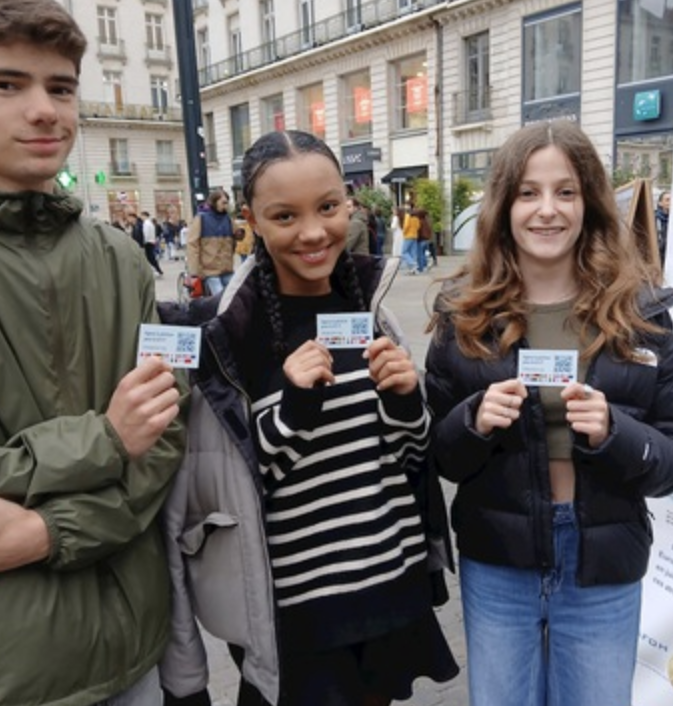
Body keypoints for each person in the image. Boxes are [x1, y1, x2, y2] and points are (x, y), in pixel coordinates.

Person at [0, 2, 187, 706]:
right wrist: (102, 440)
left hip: (130, 649)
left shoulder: (120, 258)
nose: (44, 110)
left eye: (60, 87)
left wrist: (48, 531)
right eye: (7, 85)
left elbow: (165, 436)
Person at [159, 129, 458, 706]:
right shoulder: (226, 336)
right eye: (285, 215)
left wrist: (404, 402)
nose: (314, 232)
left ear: (348, 201)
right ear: (253, 221)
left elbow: (412, 456)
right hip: (296, 613)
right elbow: (232, 484)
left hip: (386, 588)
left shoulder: (368, 307)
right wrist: (295, 407)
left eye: (327, 207)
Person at [424, 120, 673, 706]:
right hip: (498, 562)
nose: (546, 211)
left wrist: (615, 432)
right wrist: (473, 420)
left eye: (565, 192)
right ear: (503, 206)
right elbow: (441, 458)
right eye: (528, 192)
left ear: (590, 203)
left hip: (602, 563)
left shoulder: (642, 314)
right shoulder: (463, 315)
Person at [187, 189, 236, 295]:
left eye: (227, 202)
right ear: (214, 202)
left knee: (233, 296)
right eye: (223, 202)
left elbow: (235, 237)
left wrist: (240, 233)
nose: (226, 205)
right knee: (219, 299)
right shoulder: (201, 218)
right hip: (210, 270)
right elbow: (193, 244)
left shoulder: (228, 219)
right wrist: (194, 271)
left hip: (227, 268)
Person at [143, 209, 165, 277]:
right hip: (152, 241)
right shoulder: (151, 223)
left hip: (148, 242)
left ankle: (156, 270)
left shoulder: (146, 223)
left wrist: (144, 241)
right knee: (151, 257)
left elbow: (146, 234)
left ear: (144, 216)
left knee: (150, 258)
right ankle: (157, 270)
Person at [401, 207, 422, 274]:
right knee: (413, 253)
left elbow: (406, 226)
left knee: (404, 252)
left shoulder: (408, 216)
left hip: (408, 236)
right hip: (415, 236)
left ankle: (412, 264)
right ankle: (413, 270)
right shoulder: (416, 218)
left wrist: (404, 232)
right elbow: (418, 226)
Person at [655, 190, 670, 266]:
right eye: (667, 200)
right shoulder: (655, 218)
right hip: (658, 256)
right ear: (660, 203)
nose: (670, 202)